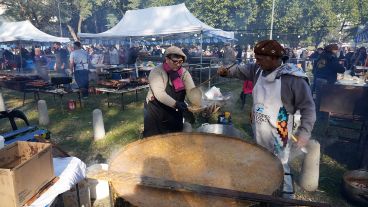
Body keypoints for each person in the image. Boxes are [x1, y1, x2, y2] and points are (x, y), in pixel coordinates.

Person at [217, 40, 316, 197]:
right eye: (256, 58)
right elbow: (239, 71)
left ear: (275, 58)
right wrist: (226, 72)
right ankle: (264, 191)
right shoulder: (257, 70)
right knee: (261, 159)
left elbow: (308, 108)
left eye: (260, 59)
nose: (257, 62)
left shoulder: (293, 78)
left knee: (280, 165)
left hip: (279, 133)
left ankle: (286, 198)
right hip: (259, 126)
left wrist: (304, 132)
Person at [143, 46, 196, 137]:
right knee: (155, 141)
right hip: (156, 111)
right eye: (175, 61)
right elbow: (160, 94)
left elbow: (191, 90)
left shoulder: (184, 73)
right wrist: (176, 104)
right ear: (167, 59)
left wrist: (198, 103)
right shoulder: (156, 71)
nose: (178, 64)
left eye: (181, 62)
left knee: (174, 137)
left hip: (174, 112)